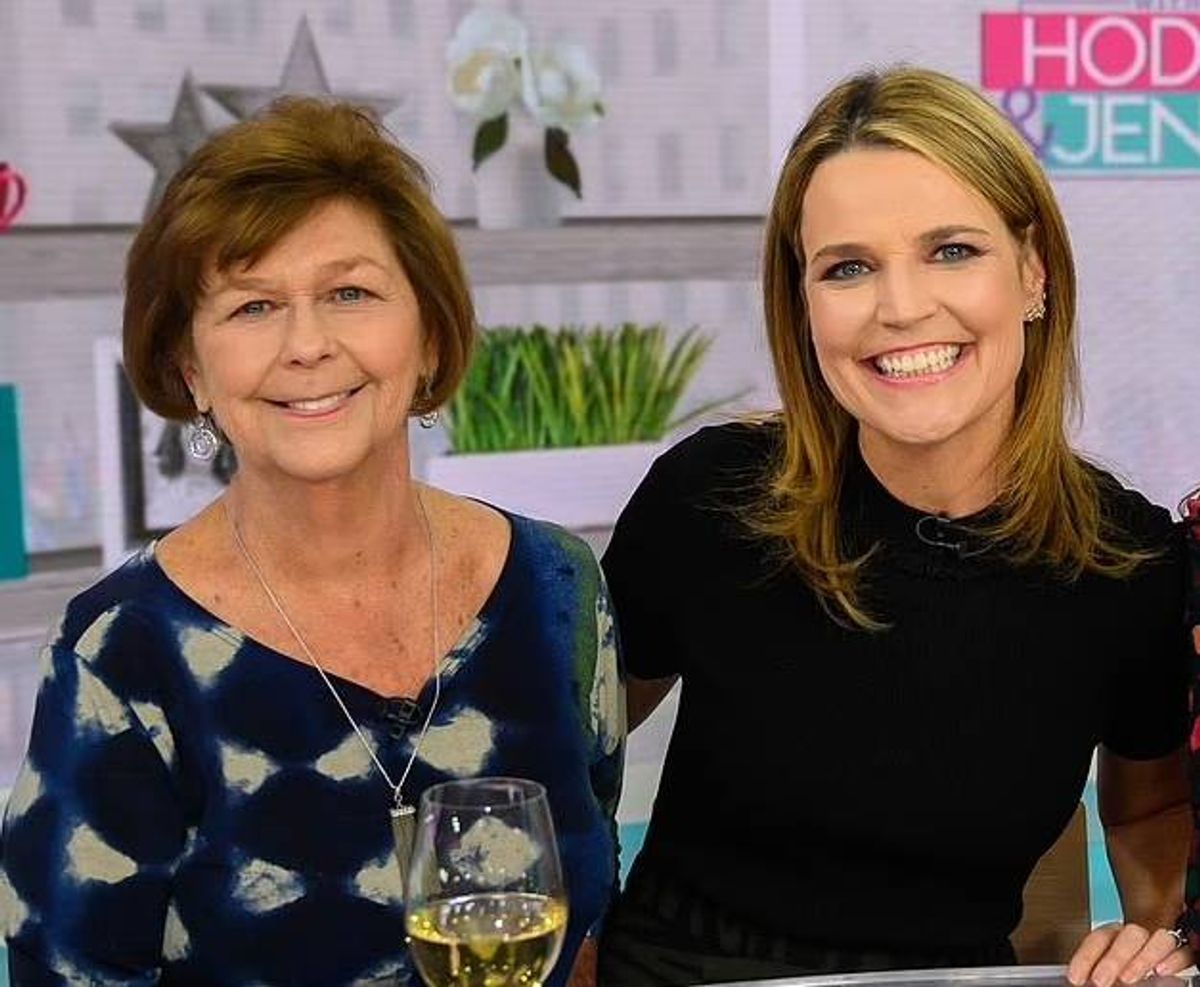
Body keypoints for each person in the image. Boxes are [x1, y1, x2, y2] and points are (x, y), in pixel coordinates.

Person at [0, 98, 624, 987]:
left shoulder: (558, 585)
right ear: (191, 370)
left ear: (430, 335)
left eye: (350, 292)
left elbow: (589, 928)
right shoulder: (122, 652)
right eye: (253, 306)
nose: (307, 345)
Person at [598, 67, 1191, 987]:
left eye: (951, 250)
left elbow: (1149, 813)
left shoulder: (1128, 563)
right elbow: (566, 759)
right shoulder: (709, 498)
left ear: (1032, 273)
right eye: (848, 267)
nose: (902, 307)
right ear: (803, 304)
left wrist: (1162, 944)